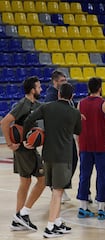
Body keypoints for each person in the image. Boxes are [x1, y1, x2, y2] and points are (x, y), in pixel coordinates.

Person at [23, 83, 82, 237]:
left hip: (47, 156)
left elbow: (29, 119)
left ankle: (57, 222)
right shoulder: (74, 112)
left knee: (55, 190)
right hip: (63, 157)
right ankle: (50, 228)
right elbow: (78, 130)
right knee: (58, 192)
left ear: (58, 94)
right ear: (72, 97)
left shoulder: (47, 107)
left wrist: (27, 139)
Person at [0, 76, 46, 232]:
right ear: (33, 90)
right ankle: (22, 214)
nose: (41, 90)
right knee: (42, 180)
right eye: (39, 87)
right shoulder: (22, 105)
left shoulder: (35, 104)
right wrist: (9, 144)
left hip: (30, 149)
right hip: (22, 150)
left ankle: (19, 217)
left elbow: (49, 109)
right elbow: (5, 122)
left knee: (26, 183)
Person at [76, 77, 105, 220]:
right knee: (102, 176)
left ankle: (83, 207)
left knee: (84, 176)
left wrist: (79, 143)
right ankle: (101, 208)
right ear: (100, 88)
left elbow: (78, 125)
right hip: (101, 146)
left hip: (85, 145)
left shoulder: (80, 104)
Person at [44, 70, 76, 203]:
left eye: (65, 80)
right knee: (59, 162)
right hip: (56, 135)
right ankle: (56, 187)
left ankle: (60, 185)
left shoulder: (66, 94)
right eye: (62, 81)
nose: (65, 83)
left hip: (67, 134)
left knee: (73, 159)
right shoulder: (51, 96)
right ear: (55, 82)